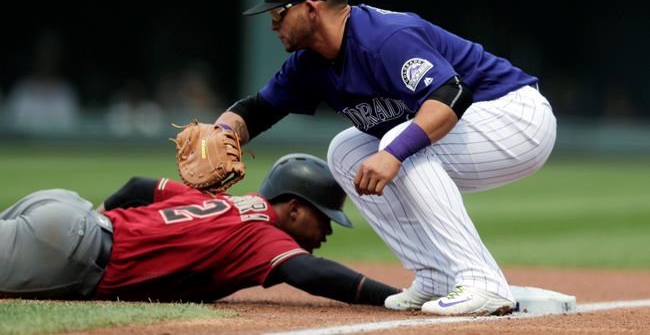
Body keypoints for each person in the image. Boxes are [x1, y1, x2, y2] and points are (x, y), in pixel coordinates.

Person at [215, 0, 557, 316]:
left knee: (398, 141)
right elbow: (257, 110)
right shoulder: (310, 63)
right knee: (345, 150)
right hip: (472, 125)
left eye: (277, 13)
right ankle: (436, 275)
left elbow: (451, 95)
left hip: (514, 116)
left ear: (311, 9)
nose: (272, 25)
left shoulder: (383, 37)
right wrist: (221, 131)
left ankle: (483, 282)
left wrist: (394, 153)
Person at [0, 153, 398, 304]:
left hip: (65, 212)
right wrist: (393, 296)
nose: (327, 230)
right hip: (67, 251)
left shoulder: (220, 203)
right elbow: (310, 273)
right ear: (293, 208)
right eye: (323, 216)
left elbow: (139, 186)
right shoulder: (262, 232)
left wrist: (96, 224)